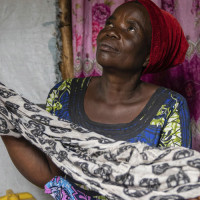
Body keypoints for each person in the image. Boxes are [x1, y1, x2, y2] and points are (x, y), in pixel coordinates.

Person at [1, 0, 198, 199]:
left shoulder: (168, 107)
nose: (111, 32)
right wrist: (4, 117)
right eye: (110, 24)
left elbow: (172, 187)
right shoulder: (65, 94)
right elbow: (54, 177)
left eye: (130, 28)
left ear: (148, 55)